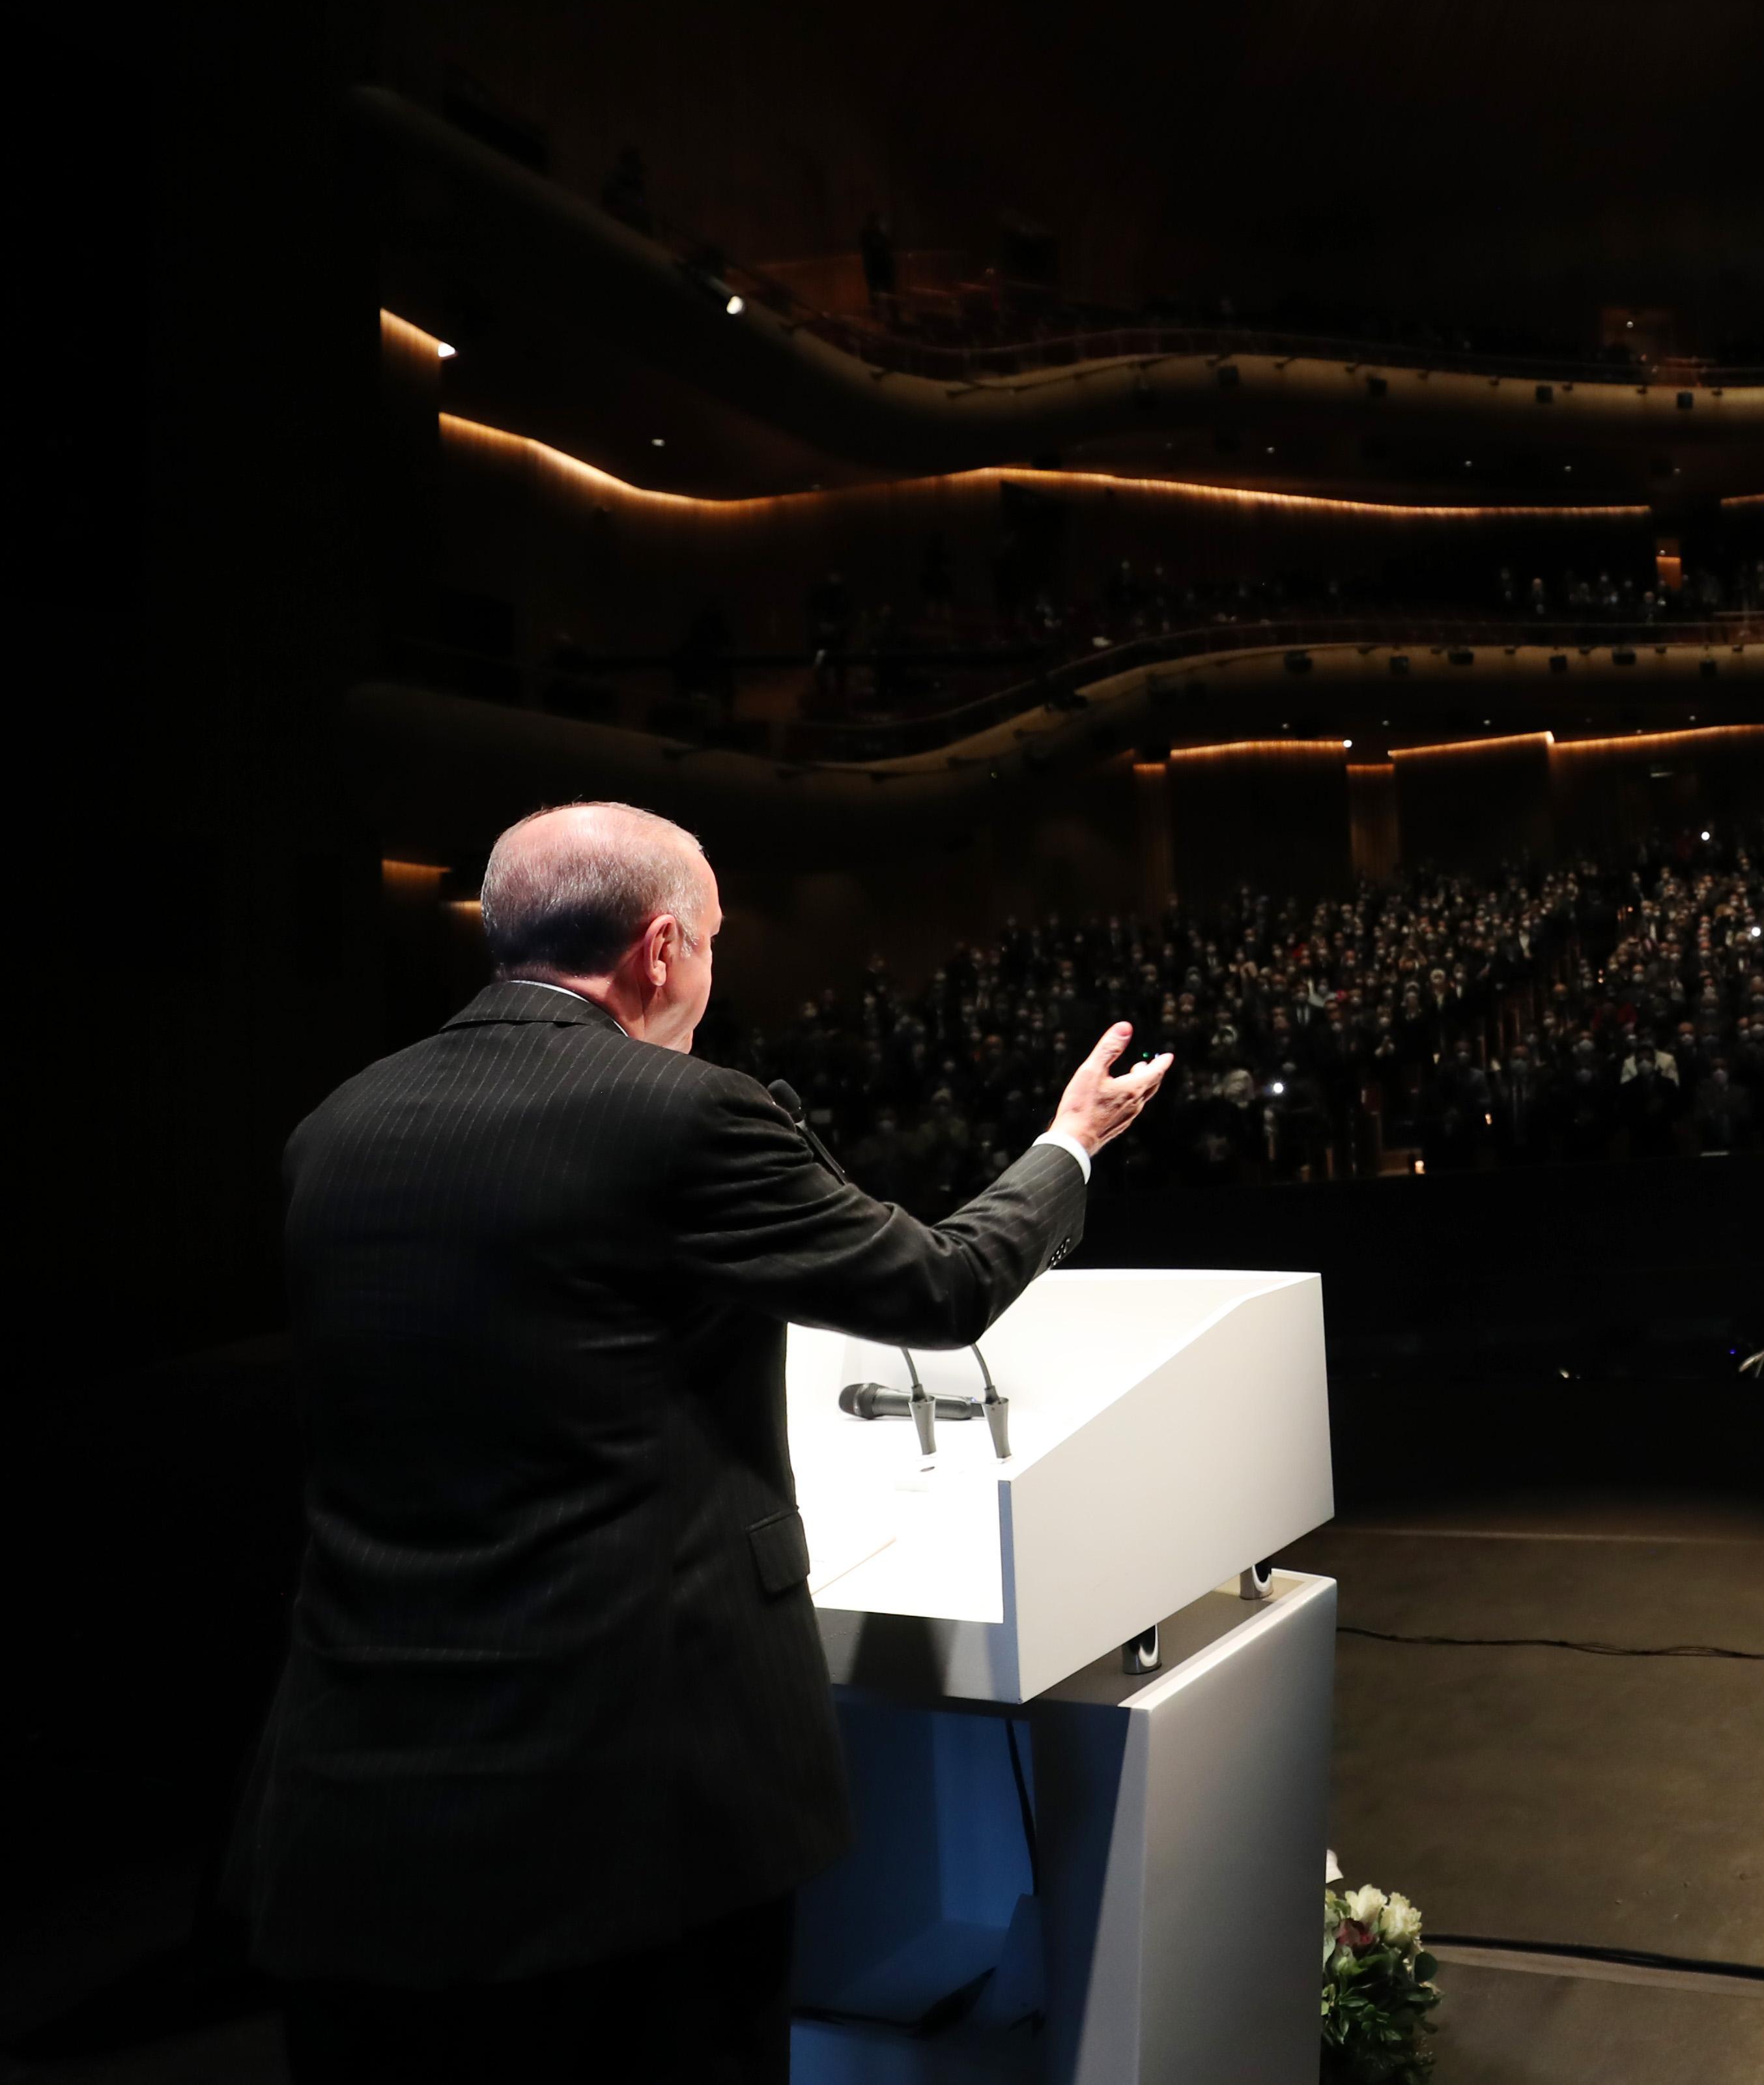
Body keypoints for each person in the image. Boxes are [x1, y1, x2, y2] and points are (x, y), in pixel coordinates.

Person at [233, 802, 1171, 2084]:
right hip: (629, 1805)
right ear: (664, 949)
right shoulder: (682, 1116)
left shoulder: (332, 1131)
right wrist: (1071, 1147)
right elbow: (939, 1287)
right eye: (718, 941)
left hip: (359, 1801)